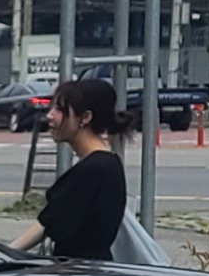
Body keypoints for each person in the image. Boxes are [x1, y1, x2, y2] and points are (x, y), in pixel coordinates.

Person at [16, 77, 134, 261]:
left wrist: (5, 254)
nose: (50, 115)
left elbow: (49, 223)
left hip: (78, 273)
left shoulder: (94, 169)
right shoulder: (107, 163)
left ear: (85, 118)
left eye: (60, 110)